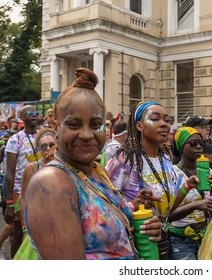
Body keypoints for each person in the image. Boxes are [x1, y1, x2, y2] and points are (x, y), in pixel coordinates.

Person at [24, 68, 161, 259]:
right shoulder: (50, 183)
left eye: (96, 124)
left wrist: (139, 227)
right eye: (74, 124)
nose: (87, 135)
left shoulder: (98, 171)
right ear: (56, 126)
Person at [106, 100, 199, 259]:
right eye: (155, 119)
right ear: (139, 126)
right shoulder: (124, 160)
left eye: (167, 120)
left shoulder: (166, 161)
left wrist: (186, 187)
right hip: (135, 246)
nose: (164, 124)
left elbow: (167, 209)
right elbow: (104, 207)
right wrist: (133, 205)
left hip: (163, 243)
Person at [168, 127, 212, 260]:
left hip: (206, 237)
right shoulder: (172, 174)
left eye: (201, 143)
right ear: (180, 147)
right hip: (180, 241)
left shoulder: (209, 172)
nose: (198, 147)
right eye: (193, 143)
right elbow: (167, 215)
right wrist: (195, 205)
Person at [4, 105, 40, 258]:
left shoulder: (43, 137)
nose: (35, 115)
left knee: (38, 229)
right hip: (20, 191)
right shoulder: (15, 140)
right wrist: (9, 202)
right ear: (22, 117)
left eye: (36, 113)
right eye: (31, 113)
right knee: (18, 232)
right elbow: (10, 174)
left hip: (41, 189)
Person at [20, 128, 57, 236]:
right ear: (39, 150)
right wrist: (25, 229)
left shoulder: (66, 167)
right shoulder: (32, 168)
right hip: (36, 223)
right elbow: (24, 200)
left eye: (52, 145)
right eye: (44, 146)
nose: (48, 149)